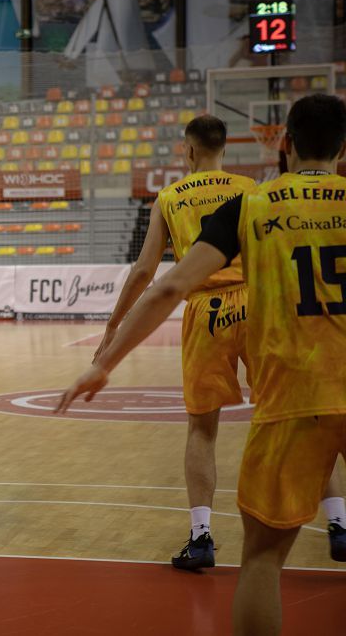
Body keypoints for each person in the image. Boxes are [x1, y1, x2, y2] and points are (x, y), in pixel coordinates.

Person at [57, 94, 346, 635]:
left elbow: (159, 279)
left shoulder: (245, 203)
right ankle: (339, 522)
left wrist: (109, 348)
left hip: (235, 329)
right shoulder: (248, 187)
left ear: (283, 144)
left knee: (212, 444)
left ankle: (201, 534)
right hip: (262, 314)